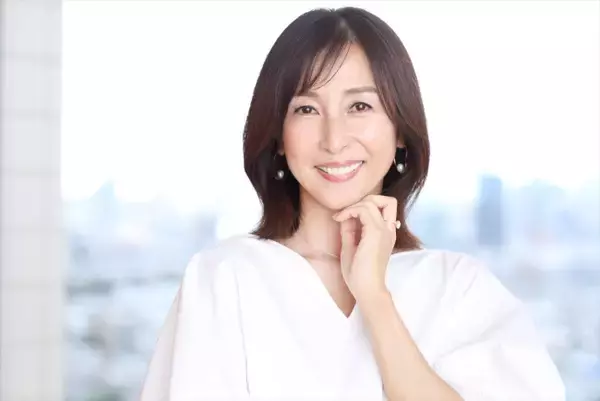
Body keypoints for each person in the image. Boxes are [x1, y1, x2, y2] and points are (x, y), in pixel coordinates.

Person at [140, 7, 564, 401]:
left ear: (401, 131)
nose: (334, 139)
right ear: (278, 136)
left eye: (359, 106)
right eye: (306, 109)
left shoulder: (458, 288)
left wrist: (375, 298)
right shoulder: (224, 277)